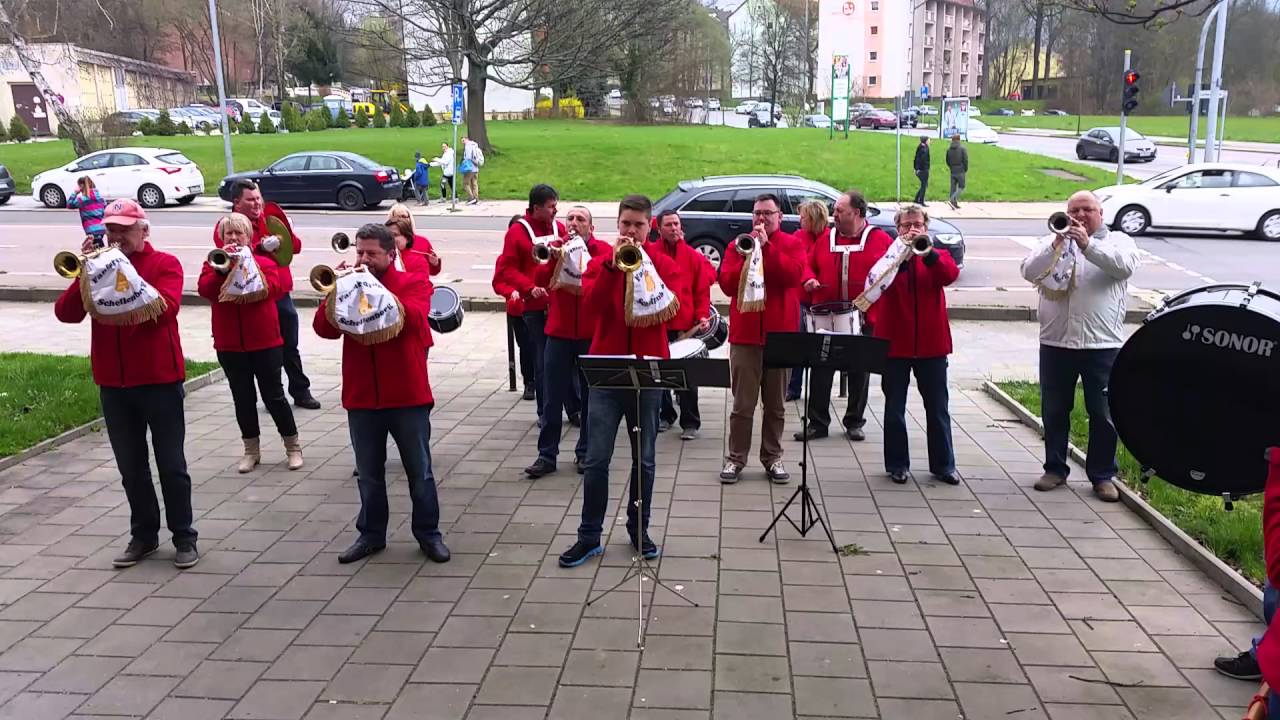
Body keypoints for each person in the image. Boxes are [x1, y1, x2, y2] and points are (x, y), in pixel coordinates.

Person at [54, 199, 199, 569]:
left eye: (124, 229)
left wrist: (120, 272)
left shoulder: (164, 264)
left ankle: (184, 537)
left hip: (159, 379)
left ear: (143, 230)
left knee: (171, 465)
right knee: (131, 468)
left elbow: (164, 311)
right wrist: (87, 271)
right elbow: (66, 314)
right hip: (114, 384)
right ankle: (144, 535)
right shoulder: (97, 266)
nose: (116, 236)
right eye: (111, 230)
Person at [558, 194, 684, 568]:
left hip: (647, 372)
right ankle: (589, 536)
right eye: (626, 224)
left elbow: (675, 313)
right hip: (606, 370)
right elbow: (591, 308)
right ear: (618, 225)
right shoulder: (600, 263)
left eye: (639, 225)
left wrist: (645, 271)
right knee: (597, 459)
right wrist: (614, 269)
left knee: (643, 461)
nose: (631, 231)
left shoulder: (662, 262)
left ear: (651, 227)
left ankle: (638, 529)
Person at [313, 223, 449, 565]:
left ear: (391, 254)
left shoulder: (413, 282)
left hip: (407, 394)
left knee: (420, 472)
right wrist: (336, 293)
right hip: (362, 396)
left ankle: (429, 535)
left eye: (371, 253)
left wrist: (372, 289)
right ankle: (371, 535)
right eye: (359, 252)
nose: (364, 259)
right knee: (369, 475)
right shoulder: (346, 286)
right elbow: (324, 331)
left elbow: (417, 320)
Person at [1020, 190, 1139, 503]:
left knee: (1103, 412)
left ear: (1100, 213)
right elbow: (1029, 271)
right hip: (1056, 342)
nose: (1080, 215)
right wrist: (1057, 244)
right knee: (1054, 409)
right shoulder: (1052, 240)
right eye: (1074, 209)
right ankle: (1055, 469)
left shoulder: (1118, 241)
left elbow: (1123, 267)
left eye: (1087, 209)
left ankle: (1102, 475)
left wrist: (1087, 244)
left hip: (1102, 344)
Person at [198, 213, 303, 474]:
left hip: (265, 341)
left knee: (274, 396)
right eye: (228, 234)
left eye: (239, 233)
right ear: (221, 238)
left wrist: (245, 267)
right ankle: (251, 451)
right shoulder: (213, 263)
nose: (233, 238)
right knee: (242, 398)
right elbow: (205, 290)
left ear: (249, 237)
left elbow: (274, 289)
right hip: (229, 344)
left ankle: (292, 447)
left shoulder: (264, 263)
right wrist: (221, 272)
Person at [867, 204, 960, 485]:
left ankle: (944, 466)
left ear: (925, 227)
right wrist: (901, 260)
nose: (912, 229)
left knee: (938, 408)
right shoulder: (889, 257)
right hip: (895, 344)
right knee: (894, 407)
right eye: (906, 225)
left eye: (917, 224)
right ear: (898, 229)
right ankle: (897, 465)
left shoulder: (936, 254)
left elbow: (949, 275)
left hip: (932, 345)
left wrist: (927, 253)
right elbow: (875, 283)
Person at [717, 193, 805, 484]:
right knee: (742, 405)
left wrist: (767, 250)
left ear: (780, 217)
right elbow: (727, 286)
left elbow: (792, 277)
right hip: (746, 336)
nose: (761, 219)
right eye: (757, 213)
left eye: (768, 213)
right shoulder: (737, 245)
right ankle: (735, 459)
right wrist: (746, 258)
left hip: (781, 335)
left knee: (776, 405)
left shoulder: (792, 244)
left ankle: (773, 457)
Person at [797, 190, 893, 442]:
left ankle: (854, 421)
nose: (834, 215)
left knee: (860, 370)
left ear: (857, 213)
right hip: (826, 315)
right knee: (821, 369)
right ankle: (817, 423)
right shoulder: (825, 238)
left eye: (840, 211)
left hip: (864, 316)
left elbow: (889, 273)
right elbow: (807, 264)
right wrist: (809, 278)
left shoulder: (879, 239)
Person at [216, 180, 320, 410]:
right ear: (236, 202)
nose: (256, 204)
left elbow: (295, 248)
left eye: (258, 198)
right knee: (267, 349)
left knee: (290, 345)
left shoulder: (267, 218)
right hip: (255, 297)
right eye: (250, 200)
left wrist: (287, 232)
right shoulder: (228, 225)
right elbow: (230, 253)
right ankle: (274, 393)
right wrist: (261, 247)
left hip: (280, 292)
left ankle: (300, 391)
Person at [524, 206, 611, 479]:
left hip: (589, 335)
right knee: (551, 396)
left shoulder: (603, 251)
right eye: (570, 219)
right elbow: (539, 281)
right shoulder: (554, 247)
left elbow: (602, 286)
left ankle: (585, 451)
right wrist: (554, 257)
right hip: (559, 333)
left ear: (591, 227)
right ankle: (546, 454)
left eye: (581, 219)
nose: (574, 223)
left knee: (590, 397)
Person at [494, 184, 568, 424]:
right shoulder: (517, 232)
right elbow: (506, 269)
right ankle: (545, 413)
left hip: (560, 303)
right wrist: (528, 288)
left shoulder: (559, 227)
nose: (556, 211)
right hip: (535, 308)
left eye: (556, 205)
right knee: (543, 360)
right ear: (536, 208)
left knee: (567, 359)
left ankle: (573, 408)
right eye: (551, 207)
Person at [647, 210, 714, 440]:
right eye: (669, 225)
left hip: (685, 326)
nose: (674, 228)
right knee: (659, 375)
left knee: (687, 377)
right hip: (657, 324)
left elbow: (701, 290)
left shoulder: (693, 256)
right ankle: (666, 415)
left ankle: (690, 422)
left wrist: (702, 315)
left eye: (676, 224)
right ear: (659, 228)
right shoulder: (650, 254)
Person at [786, 201, 828, 402]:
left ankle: (819, 391)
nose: (799, 220)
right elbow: (801, 264)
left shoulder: (829, 238)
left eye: (803, 217)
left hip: (823, 299)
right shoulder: (798, 237)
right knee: (798, 342)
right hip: (802, 298)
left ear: (812, 219)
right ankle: (794, 387)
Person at [495, 215, 537, 400]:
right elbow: (498, 282)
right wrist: (510, 291)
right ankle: (530, 382)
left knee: (541, 348)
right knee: (526, 347)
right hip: (518, 310)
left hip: (537, 307)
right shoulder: (504, 258)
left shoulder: (535, 253)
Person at [67, 176, 106, 246]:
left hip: (91, 230)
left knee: (97, 251)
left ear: (81, 186)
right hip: (102, 228)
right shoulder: (101, 198)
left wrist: (75, 192)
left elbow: (69, 205)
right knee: (97, 249)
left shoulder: (82, 200)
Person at [946, 134, 968, 210]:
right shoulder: (962, 149)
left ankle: (954, 203)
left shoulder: (949, 149)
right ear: (959, 140)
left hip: (952, 170)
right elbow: (965, 160)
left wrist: (951, 167)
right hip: (961, 170)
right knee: (962, 186)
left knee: (953, 187)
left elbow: (947, 160)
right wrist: (965, 168)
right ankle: (952, 199)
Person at [461, 136, 483, 205]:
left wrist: (463, 162)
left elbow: (468, 157)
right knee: (474, 183)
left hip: (470, 168)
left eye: (463, 140)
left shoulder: (468, 146)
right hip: (476, 167)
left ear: (466, 139)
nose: (462, 142)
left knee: (465, 183)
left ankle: (471, 198)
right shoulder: (475, 145)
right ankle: (476, 198)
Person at [913, 136, 931, 205]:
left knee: (924, 184)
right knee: (924, 185)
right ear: (925, 141)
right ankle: (921, 200)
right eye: (928, 140)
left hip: (923, 169)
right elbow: (918, 159)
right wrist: (917, 169)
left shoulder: (924, 147)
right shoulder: (923, 149)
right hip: (923, 169)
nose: (929, 141)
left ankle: (917, 198)